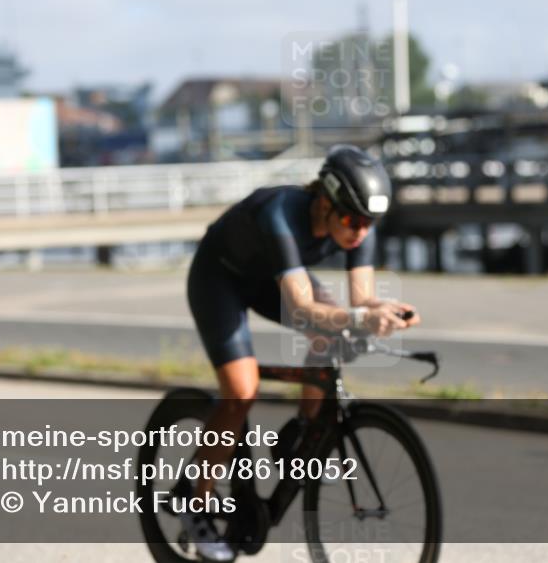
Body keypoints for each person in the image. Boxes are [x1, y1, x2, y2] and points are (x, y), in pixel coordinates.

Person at [180, 145, 421, 560]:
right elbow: (305, 308)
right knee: (241, 391)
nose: (359, 232)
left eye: (369, 223)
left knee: (332, 335)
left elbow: (360, 298)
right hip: (220, 279)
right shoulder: (282, 214)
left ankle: (299, 436)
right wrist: (358, 320)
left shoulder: (357, 220)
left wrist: (383, 309)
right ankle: (194, 499)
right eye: (351, 220)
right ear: (324, 201)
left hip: (268, 279)